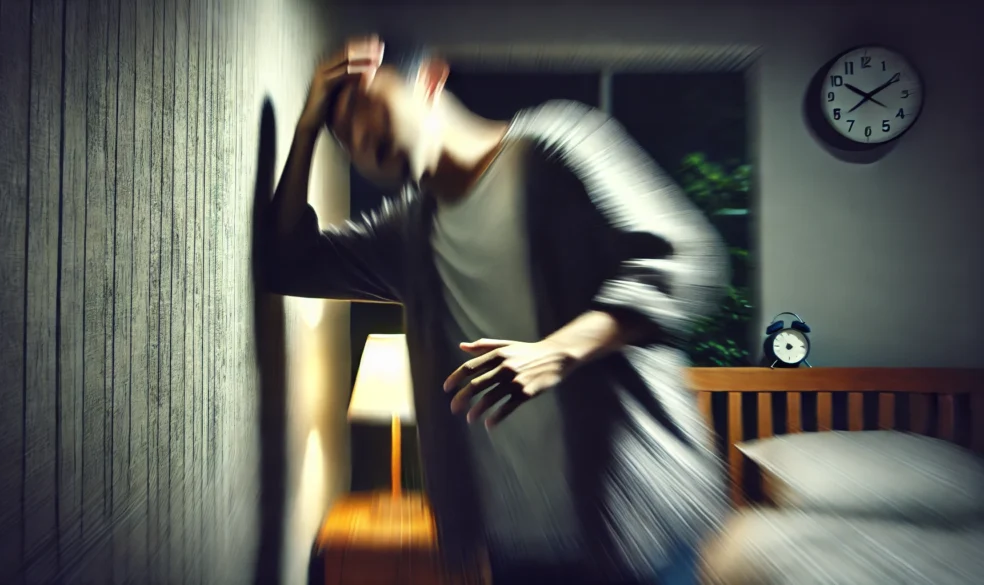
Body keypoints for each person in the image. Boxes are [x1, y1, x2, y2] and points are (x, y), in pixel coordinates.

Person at [262, 36, 730, 585]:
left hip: (639, 528)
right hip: (516, 547)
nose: (361, 138)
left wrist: (556, 354)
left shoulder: (555, 146)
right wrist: (305, 127)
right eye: (342, 135)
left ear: (429, 80)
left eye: (366, 105)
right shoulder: (409, 236)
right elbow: (286, 263)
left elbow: (687, 259)